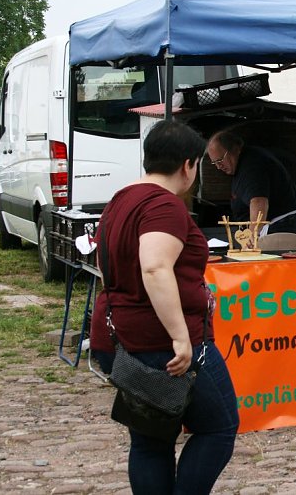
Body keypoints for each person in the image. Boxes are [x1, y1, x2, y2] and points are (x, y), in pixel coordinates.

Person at [89, 120, 238, 494]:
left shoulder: (120, 199)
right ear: (188, 165)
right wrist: (181, 337)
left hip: (123, 335)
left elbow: (107, 267)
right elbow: (154, 266)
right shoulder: (164, 205)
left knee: (151, 441)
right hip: (165, 345)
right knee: (218, 427)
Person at [207, 129, 296, 240]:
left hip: (288, 222)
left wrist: (253, 236)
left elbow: (258, 202)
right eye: (214, 163)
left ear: (235, 149)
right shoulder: (241, 163)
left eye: (220, 160)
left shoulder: (251, 166)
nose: (218, 166)